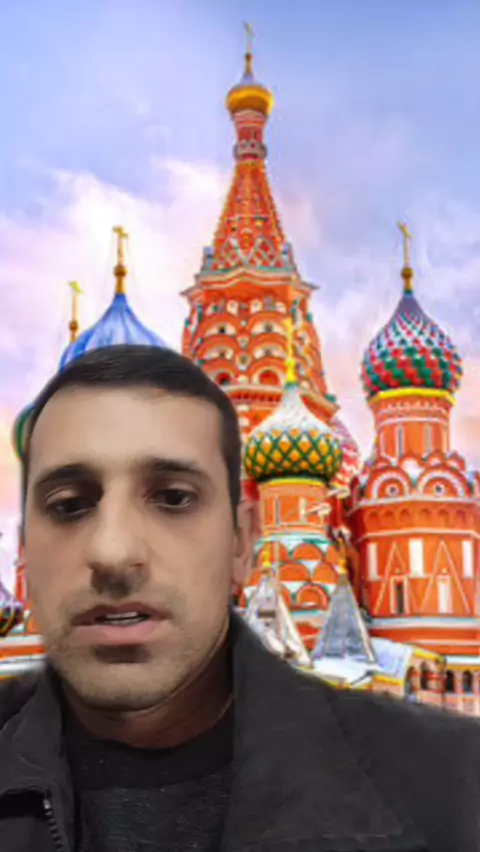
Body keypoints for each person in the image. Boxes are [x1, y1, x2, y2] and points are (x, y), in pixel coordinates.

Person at [0, 344, 479, 852]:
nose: (114, 551)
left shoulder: (448, 789)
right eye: (69, 505)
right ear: (26, 545)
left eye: (173, 498)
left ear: (242, 539)